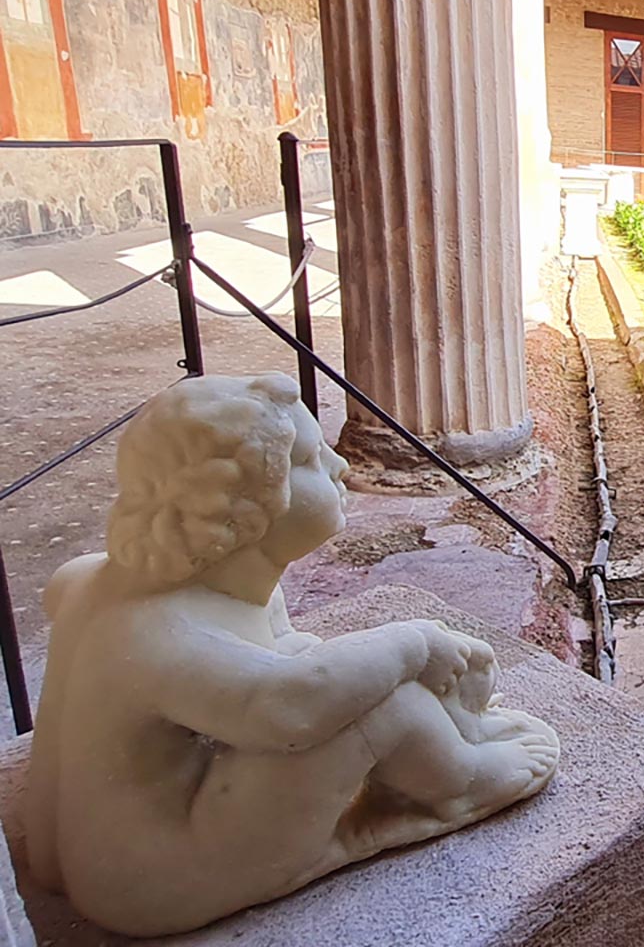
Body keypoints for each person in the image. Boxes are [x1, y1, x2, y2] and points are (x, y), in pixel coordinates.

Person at [26, 373, 559, 936]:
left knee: (350, 675)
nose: (339, 466)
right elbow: (290, 709)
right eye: (308, 458)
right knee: (380, 705)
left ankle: (443, 741)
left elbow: (272, 660)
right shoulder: (160, 634)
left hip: (78, 856)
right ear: (239, 509)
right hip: (152, 883)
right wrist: (416, 643)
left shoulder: (91, 580)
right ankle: (456, 782)